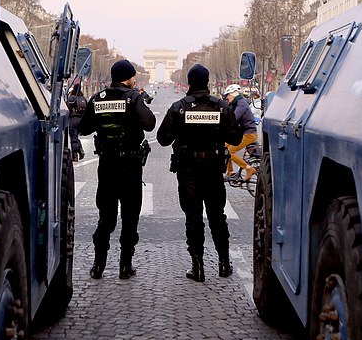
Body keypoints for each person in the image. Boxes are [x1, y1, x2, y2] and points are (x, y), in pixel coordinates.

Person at [157, 64, 243, 282]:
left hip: (187, 171)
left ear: (189, 82)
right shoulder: (221, 107)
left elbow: (163, 139)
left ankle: (198, 268)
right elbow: (235, 139)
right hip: (213, 168)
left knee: (193, 217)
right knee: (217, 217)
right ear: (207, 81)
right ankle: (224, 264)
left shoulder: (179, 108)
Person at [78, 60, 156, 280]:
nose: (135, 80)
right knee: (130, 218)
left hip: (107, 166)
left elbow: (84, 128)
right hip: (130, 167)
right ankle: (125, 267)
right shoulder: (133, 98)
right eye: (133, 77)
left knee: (106, 218)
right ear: (128, 78)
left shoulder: (97, 99)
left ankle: (98, 266)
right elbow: (149, 123)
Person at [222, 84, 258, 181]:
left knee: (230, 151)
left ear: (233, 94)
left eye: (228, 95)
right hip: (244, 133)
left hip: (249, 134)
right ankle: (230, 172)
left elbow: (233, 118)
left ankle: (249, 168)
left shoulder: (241, 104)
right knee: (224, 148)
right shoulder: (237, 103)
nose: (227, 98)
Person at [66, 82, 87, 161]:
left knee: (73, 138)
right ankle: (80, 149)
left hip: (73, 119)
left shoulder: (71, 97)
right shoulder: (83, 98)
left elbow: (67, 108)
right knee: (76, 136)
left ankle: (75, 155)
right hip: (81, 120)